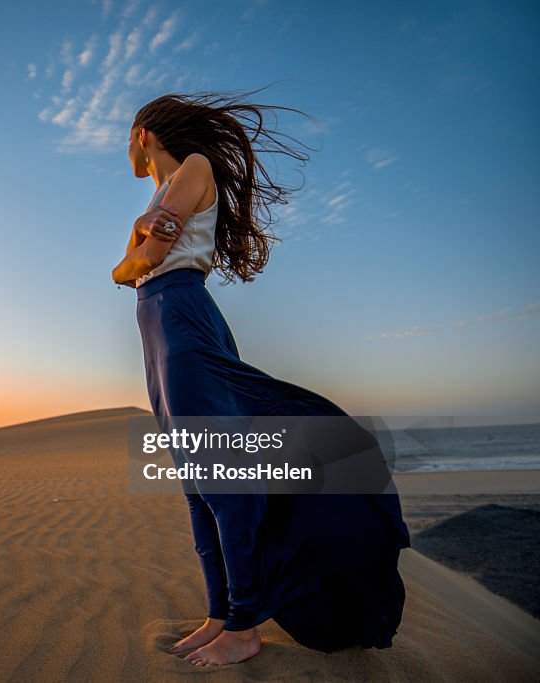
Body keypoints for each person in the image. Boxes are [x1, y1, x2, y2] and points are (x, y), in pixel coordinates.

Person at [112, 90, 412, 667]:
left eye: (127, 136)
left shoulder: (193, 168)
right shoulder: (161, 192)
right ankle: (221, 613)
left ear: (144, 133)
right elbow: (142, 260)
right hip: (157, 326)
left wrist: (130, 258)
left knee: (222, 479)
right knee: (196, 482)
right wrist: (136, 258)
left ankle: (245, 627)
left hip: (180, 316)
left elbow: (145, 260)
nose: (125, 148)